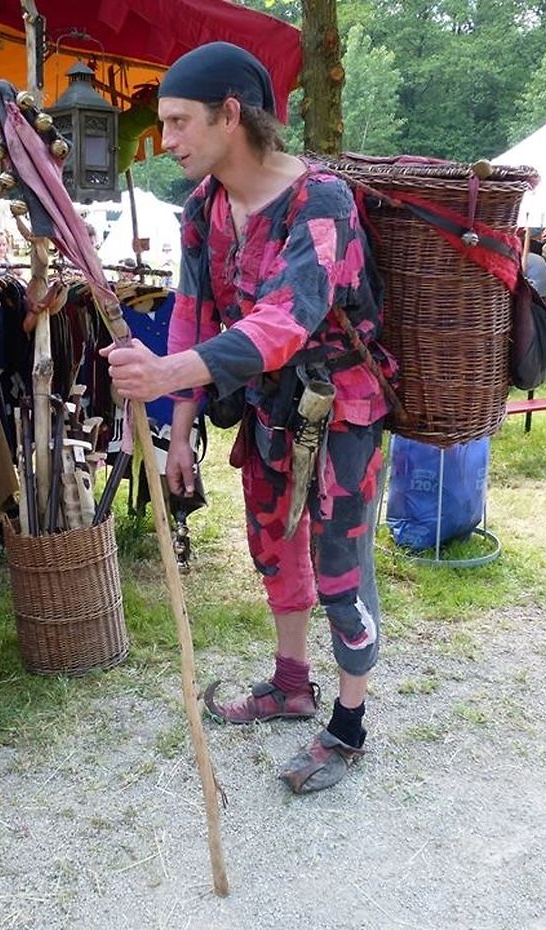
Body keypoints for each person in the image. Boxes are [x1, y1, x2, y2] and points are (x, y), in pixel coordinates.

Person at [102, 42, 396, 795]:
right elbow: (193, 314)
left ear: (230, 114)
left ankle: (349, 724)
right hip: (268, 410)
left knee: (339, 571)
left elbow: (285, 322)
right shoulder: (203, 208)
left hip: (341, 411)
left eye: (179, 121)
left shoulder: (322, 201)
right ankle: (292, 685)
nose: (166, 139)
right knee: (273, 547)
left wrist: (167, 374)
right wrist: (177, 429)